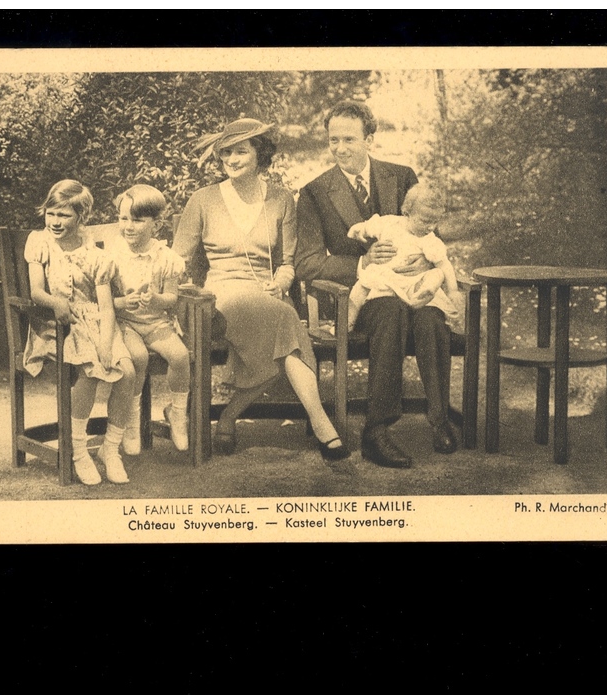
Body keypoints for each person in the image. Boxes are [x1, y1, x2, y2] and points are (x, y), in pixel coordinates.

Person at [173, 118, 349, 461]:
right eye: (226, 153)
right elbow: (176, 260)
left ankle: (227, 417)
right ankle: (322, 423)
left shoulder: (281, 199)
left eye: (241, 151)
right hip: (219, 296)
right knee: (287, 322)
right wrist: (175, 301)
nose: (232, 159)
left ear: (260, 154)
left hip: (266, 296)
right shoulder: (203, 199)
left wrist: (282, 281)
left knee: (284, 335)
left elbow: (287, 262)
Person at [296, 100, 455, 468]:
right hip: (361, 295)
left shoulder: (401, 177)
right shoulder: (315, 192)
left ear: (370, 138)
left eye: (349, 139)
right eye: (333, 140)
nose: (340, 149)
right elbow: (307, 262)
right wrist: (362, 262)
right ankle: (377, 431)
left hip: (412, 285)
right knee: (390, 311)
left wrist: (425, 260)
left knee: (431, 318)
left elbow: (431, 232)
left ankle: (439, 417)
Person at [24, 180, 137, 486]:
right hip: (58, 325)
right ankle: (77, 449)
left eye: (64, 216)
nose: (56, 222)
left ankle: (110, 449)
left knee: (126, 371)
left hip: (96, 321)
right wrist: (57, 302)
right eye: (52, 214)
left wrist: (105, 343)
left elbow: (105, 306)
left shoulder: (95, 254)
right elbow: (36, 292)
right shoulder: (40, 242)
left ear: (81, 217)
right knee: (90, 372)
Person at [106, 184, 191, 453]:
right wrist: (122, 302)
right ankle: (131, 422)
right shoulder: (111, 256)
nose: (128, 226)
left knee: (180, 356)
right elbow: (102, 301)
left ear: (155, 225)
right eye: (123, 218)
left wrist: (155, 299)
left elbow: (171, 299)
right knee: (139, 358)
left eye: (137, 220)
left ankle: (177, 413)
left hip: (156, 322)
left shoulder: (165, 258)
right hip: (125, 322)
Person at [345, 183, 463, 333]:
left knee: (437, 274)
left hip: (413, 283)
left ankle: (423, 294)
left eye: (435, 221)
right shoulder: (389, 223)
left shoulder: (429, 240)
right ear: (407, 213)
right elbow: (369, 226)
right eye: (425, 221)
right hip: (387, 278)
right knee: (361, 286)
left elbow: (444, 264)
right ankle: (347, 322)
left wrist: (453, 290)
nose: (431, 227)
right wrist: (358, 230)